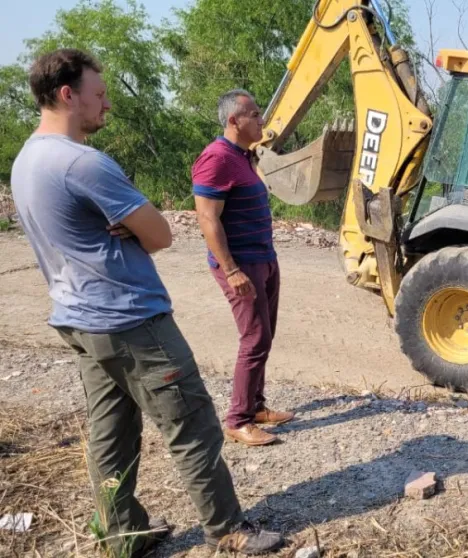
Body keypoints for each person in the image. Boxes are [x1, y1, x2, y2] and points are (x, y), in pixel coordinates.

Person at [10, 49, 283, 555]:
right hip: (131, 318)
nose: (107, 105)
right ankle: (227, 530)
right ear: (67, 94)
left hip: (78, 318)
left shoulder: (26, 160)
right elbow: (160, 234)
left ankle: (121, 533)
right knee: (193, 425)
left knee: (111, 431)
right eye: (99, 94)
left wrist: (123, 228)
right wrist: (133, 228)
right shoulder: (82, 162)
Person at [192, 89, 294, 448]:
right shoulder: (216, 158)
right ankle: (238, 419)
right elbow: (207, 218)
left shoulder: (244, 157)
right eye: (254, 114)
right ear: (234, 121)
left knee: (265, 336)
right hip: (241, 265)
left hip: (263, 258)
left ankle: (257, 406)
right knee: (254, 339)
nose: (261, 119)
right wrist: (231, 269)